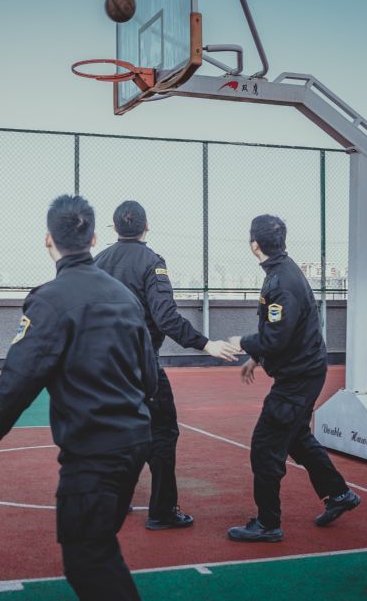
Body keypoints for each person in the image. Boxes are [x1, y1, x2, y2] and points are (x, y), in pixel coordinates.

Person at [0, 195, 156, 601]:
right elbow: (150, 376)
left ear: (48, 239)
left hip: (93, 450)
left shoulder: (49, 299)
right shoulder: (125, 298)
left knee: (88, 559)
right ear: (93, 238)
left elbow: (20, 376)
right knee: (98, 545)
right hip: (135, 440)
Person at [94, 200, 239, 530]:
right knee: (162, 434)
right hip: (140, 366)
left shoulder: (97, 262)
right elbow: (166, 317)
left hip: (104, 368)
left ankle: (115, 499)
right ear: (146, 226)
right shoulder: (151, 262)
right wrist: (206, 343)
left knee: (116, 433)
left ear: (114, 228)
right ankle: (162, 511)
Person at [227, 214, 359, 542]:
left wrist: (242, 343)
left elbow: (277, 337)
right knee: (297, 436)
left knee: (265, 447)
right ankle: (339, 494)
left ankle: (267, 524)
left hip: (297, 379)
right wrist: (256, 357)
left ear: (254, 244)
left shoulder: (281, 282)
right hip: (305, 372)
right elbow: (281, 331)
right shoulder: (282, 272)